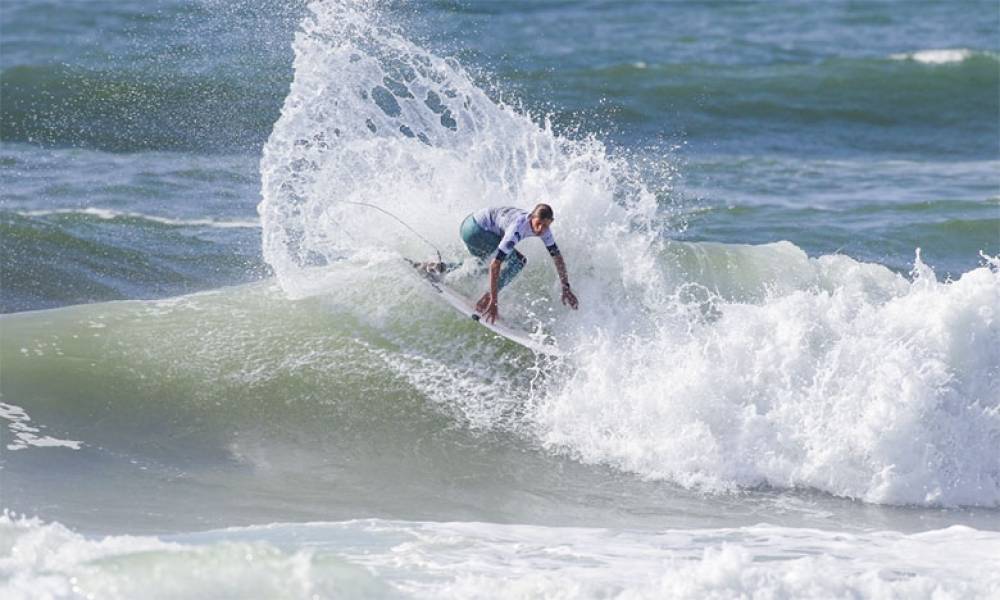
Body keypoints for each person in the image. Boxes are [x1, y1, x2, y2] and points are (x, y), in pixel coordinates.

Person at [458, 203, 578, 324]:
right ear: (531, 217)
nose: (541, 229)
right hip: (477, 231)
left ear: (551, 222)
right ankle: (487, 299)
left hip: (470, 224)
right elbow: (495, 265)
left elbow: (557, 257)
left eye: (545, 225)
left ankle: (445, 268)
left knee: (484, 262)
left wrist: (565, 286)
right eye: (538, 224)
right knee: (518, 262)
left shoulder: (545, 231)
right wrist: (493, 300)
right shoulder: (517, 230)